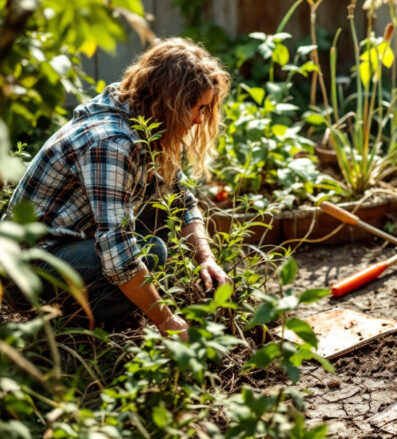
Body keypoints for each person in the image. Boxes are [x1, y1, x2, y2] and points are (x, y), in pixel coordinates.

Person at [2, 38, 231, 340]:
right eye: (196, 107)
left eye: (206, 108)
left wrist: (206, 258)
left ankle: (114, 307)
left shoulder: (145, 121)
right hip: (28, 270)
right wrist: (166, 320)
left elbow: (181, 203)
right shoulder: (111, 143)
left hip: (72, 242)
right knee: (150, 253)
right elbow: (119, 255)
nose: (200, 118)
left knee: (161, 220)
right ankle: (73, 331)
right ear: (169, 101)